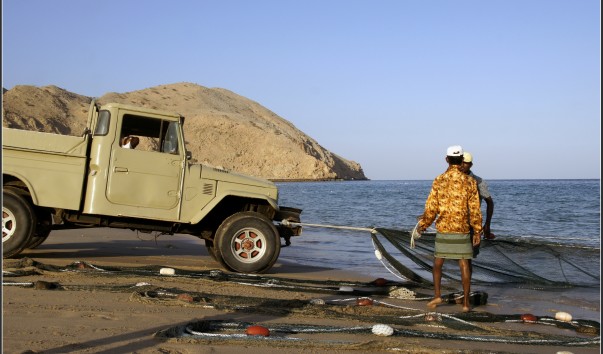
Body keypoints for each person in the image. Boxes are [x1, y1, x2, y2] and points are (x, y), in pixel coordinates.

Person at [416, 145, 483, 312]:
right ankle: (466, 303)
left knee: (438, 263)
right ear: (461, 160)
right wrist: (477, 230)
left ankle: (438, 295)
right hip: (462, 229)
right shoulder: (470, 181)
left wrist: (423, 225)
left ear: (447, 159)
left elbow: (431, 207)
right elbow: (475, 208)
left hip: (444, 228)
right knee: (464, 264)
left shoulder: (439, 180)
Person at [461, 152, 495, 239]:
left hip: (471, 224)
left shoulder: (478, 181)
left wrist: (487, 224)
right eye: (460, 162)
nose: (462, 165)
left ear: (471, 165)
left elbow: (490, 202)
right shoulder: (451, 179)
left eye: (465, 163)